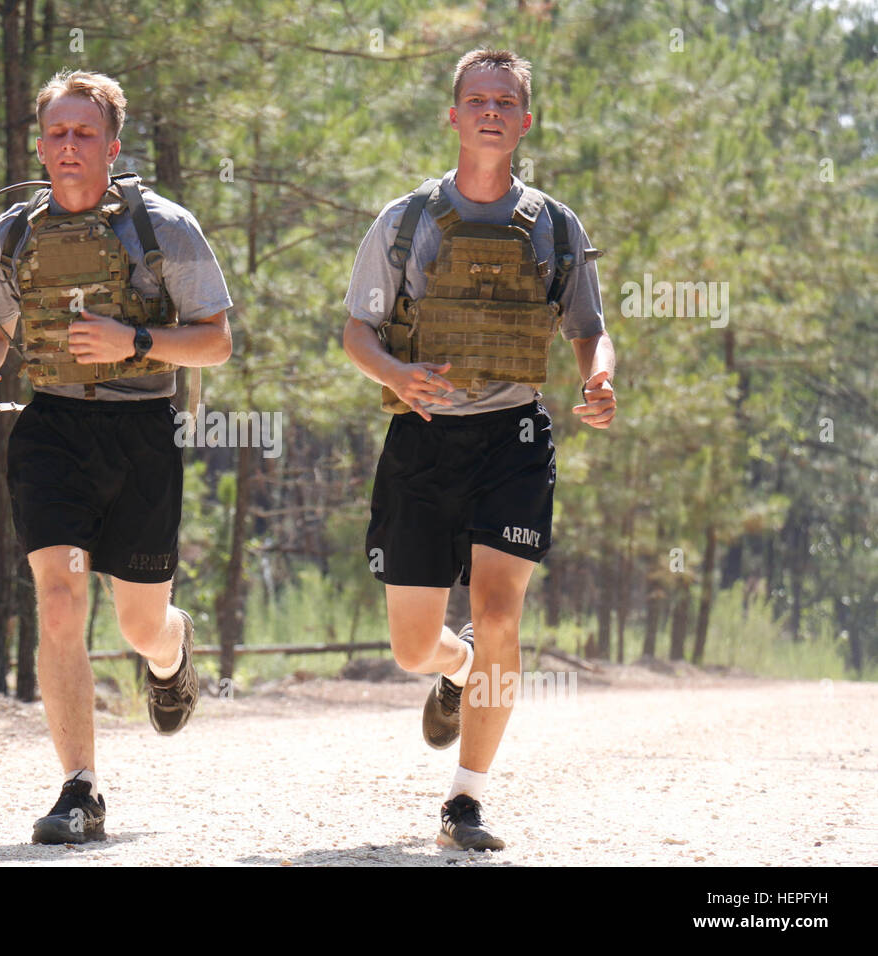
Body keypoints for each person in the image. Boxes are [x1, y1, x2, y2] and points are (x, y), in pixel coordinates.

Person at [342, 48, 616, 851]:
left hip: (516, 438)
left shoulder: (557, 228)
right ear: (453, 116)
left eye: (506, 100)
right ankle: (454, 671)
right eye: (476, 99)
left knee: (500, 614)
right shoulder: (405, 222)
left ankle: (466, 800)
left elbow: (589, 330)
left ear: (524, 121)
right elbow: (357, 333)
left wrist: (598, 380)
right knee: (410, 647)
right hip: (423, 440)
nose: (490, 110)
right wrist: (397, 371)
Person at [0, 69, 233, 845]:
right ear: (39, 144)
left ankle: (172, 654)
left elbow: (215, 340)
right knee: (59, 598)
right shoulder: (10, 233)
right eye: (55, 133)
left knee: (140, 622)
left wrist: (134, 341)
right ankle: (80, 789)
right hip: (50, 430)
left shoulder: (163, 229)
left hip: (141, 431)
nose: (68, 146)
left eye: (84, 134)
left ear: (112, 145)